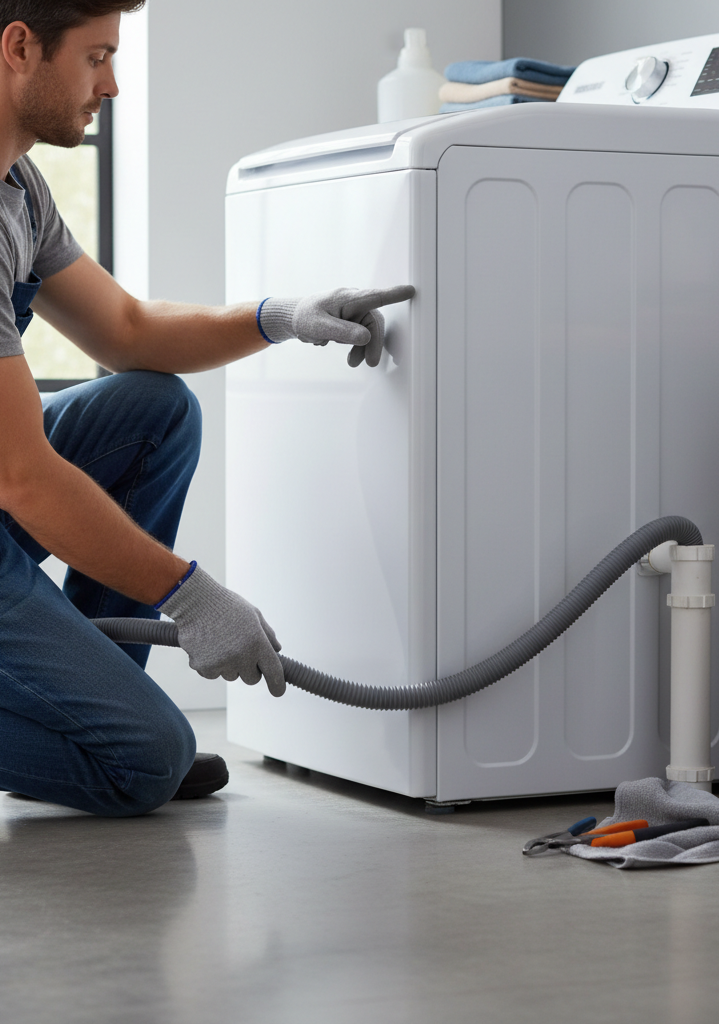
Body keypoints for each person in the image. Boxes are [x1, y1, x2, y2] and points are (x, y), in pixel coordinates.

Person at [0, 0, 414, 816]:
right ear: (19, 47)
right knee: (148, 761)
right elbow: (24, 479)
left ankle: (93, 702)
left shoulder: (20, 190)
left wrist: (280, 317)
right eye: (96, 57)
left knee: (153, 408)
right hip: (10, 481)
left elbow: (127, 329)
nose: (112, 85)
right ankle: (117, 737)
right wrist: (190, 596)